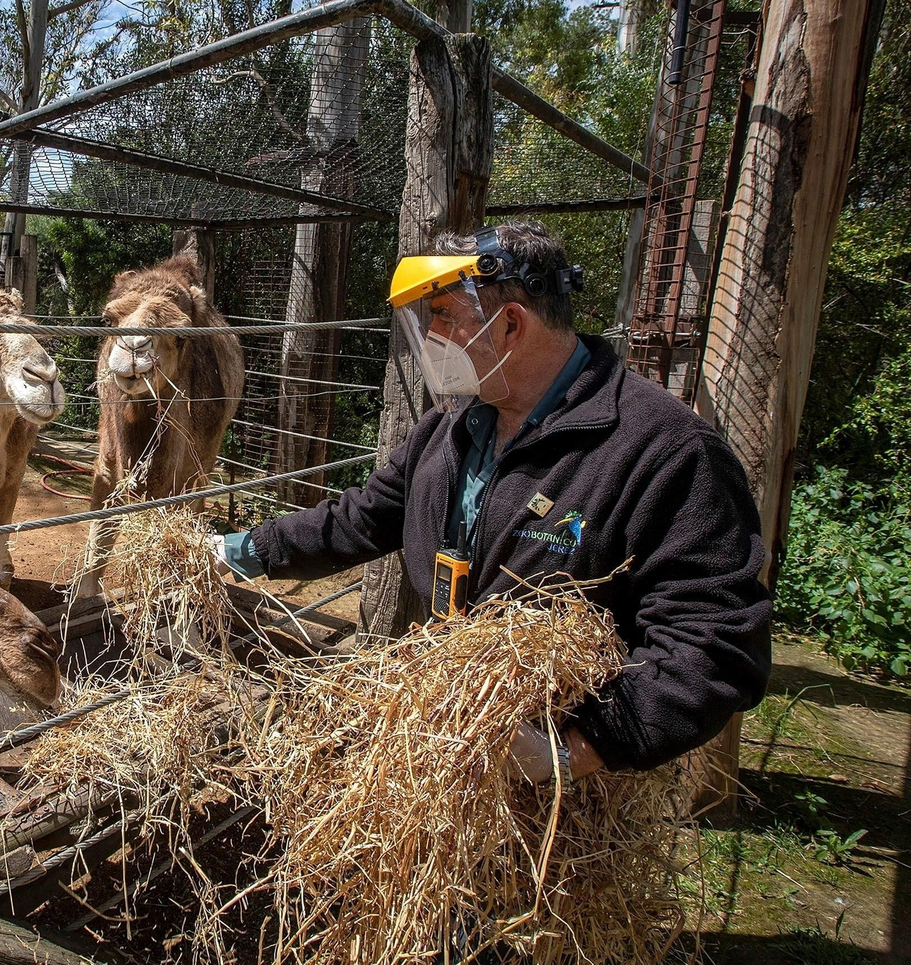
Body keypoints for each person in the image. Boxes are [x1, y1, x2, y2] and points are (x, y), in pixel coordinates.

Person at [215, 221, 772, 781]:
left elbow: (716, 637)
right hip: (455, 727)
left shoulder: (664, 450)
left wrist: (577, 750)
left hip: (567, 789)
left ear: (510, 324)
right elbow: (363, 517)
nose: (432, 337)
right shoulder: (453, 425)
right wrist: (242, 550)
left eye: (444, 316)